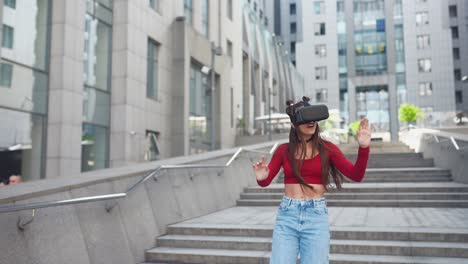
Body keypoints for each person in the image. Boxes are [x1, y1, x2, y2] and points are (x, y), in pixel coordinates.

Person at [252, 97, 371, 264]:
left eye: (314, 118)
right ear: (294, 124)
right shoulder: (283, 150)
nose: (311, 122)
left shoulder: (328, 148)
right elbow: (265, 181)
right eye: (305, 118)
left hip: (316, 216)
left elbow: (356, 175)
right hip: (287, 216)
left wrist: (364, 148)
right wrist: (262, 177)